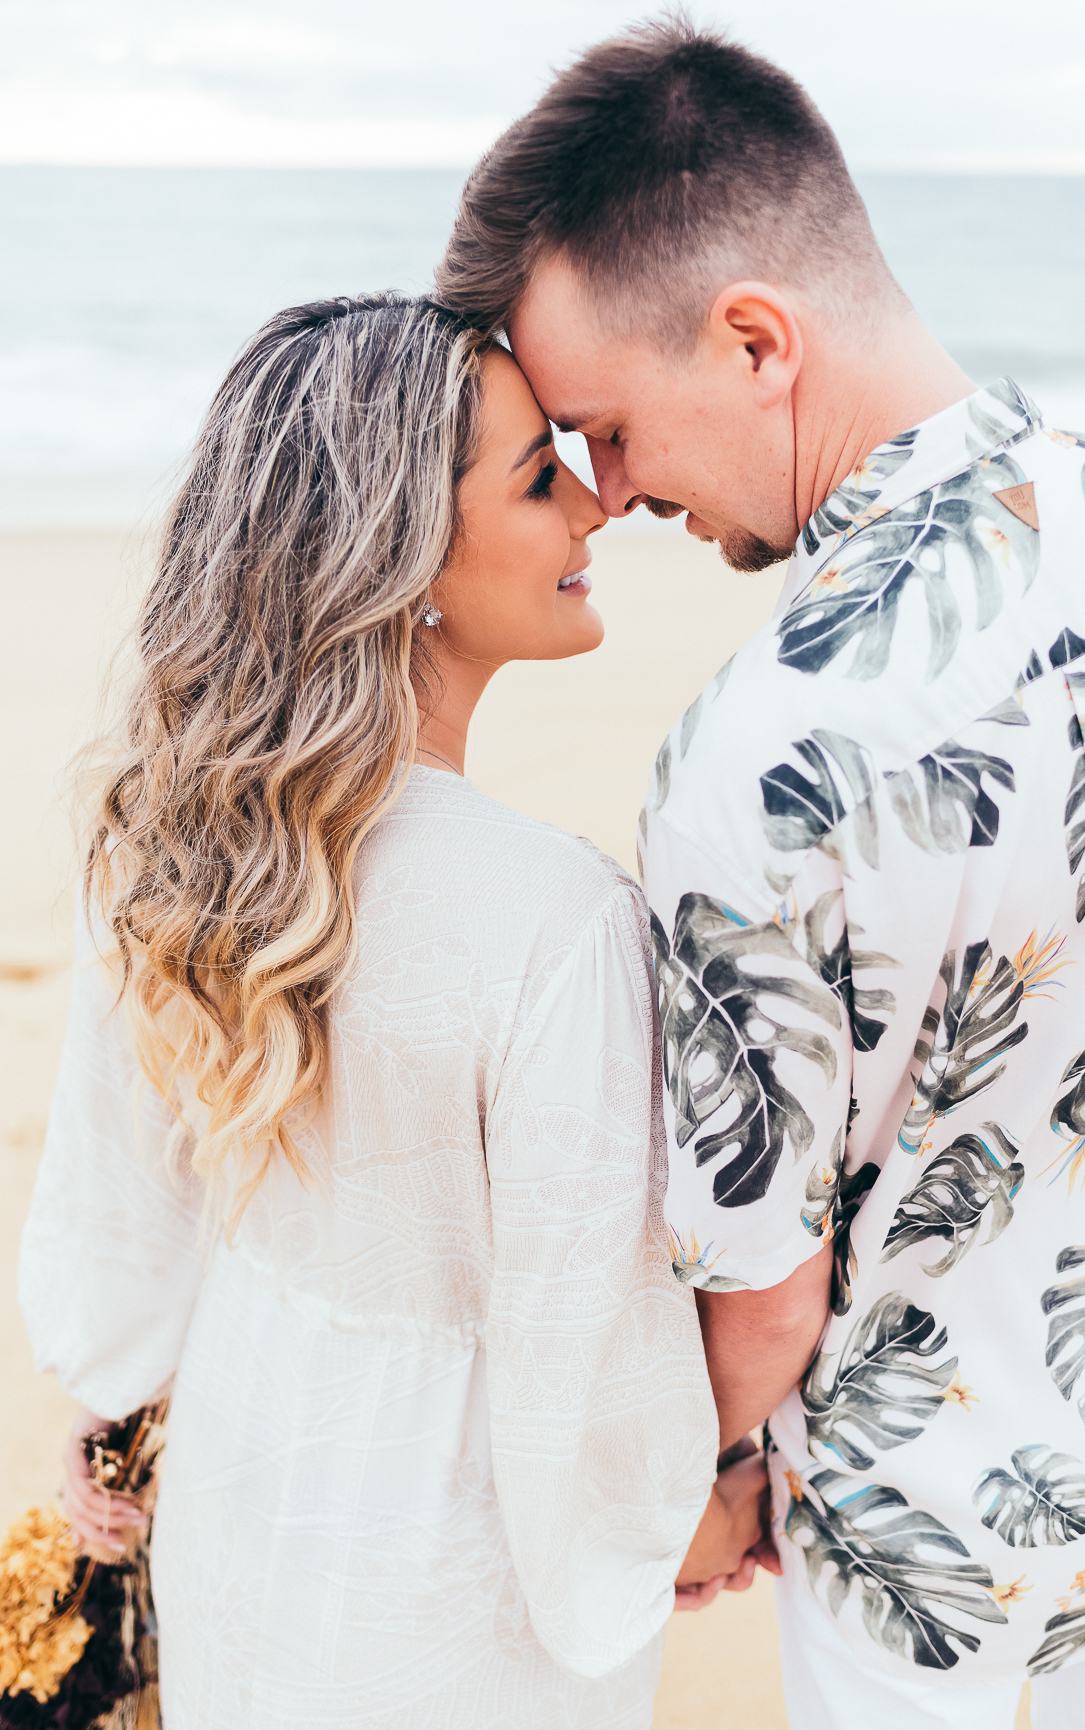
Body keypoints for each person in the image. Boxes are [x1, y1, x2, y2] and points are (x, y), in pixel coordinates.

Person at [434, 19, 1085, 1729]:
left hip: (937, 1581)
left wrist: (686, 1488)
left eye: (605, 426)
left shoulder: (753, 765)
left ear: (756, 338)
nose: (608, 495)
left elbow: (764, 1297)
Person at [18, 291, 768, 1730]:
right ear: (407, 558)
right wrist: (702, 1516)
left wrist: (114, 1408)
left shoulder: (167, 842)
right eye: (540, 478)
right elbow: (581, 1366)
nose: (594, 512)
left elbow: (122, 1224)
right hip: (454, 1611)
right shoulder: (552, 920)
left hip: (241, 1530)